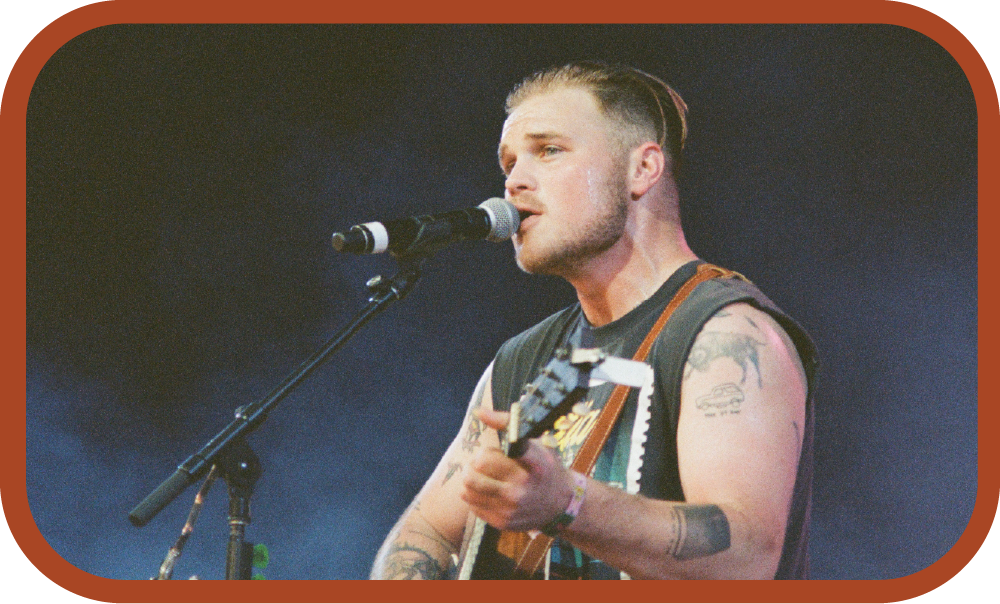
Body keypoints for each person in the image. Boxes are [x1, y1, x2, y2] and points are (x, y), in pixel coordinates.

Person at [370, 61, 817, 580]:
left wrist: (567, 502)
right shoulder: (520, 361)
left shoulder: (725, 334)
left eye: (549, 150)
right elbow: (420, 536)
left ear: (642, 170)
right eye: (509, 163)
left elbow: (747, 556)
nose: (513, 182)